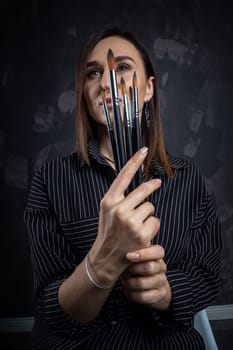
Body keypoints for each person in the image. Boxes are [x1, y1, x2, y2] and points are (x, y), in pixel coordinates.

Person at [24, 27, 223, 349]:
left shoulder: (188, 178)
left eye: (123, 67)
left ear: (148, 90)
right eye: (92, 73)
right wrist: (100, 266)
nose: (106, 82)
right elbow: (52, 311)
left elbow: (207, 275)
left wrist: (166, 291)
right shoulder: (51, 176)